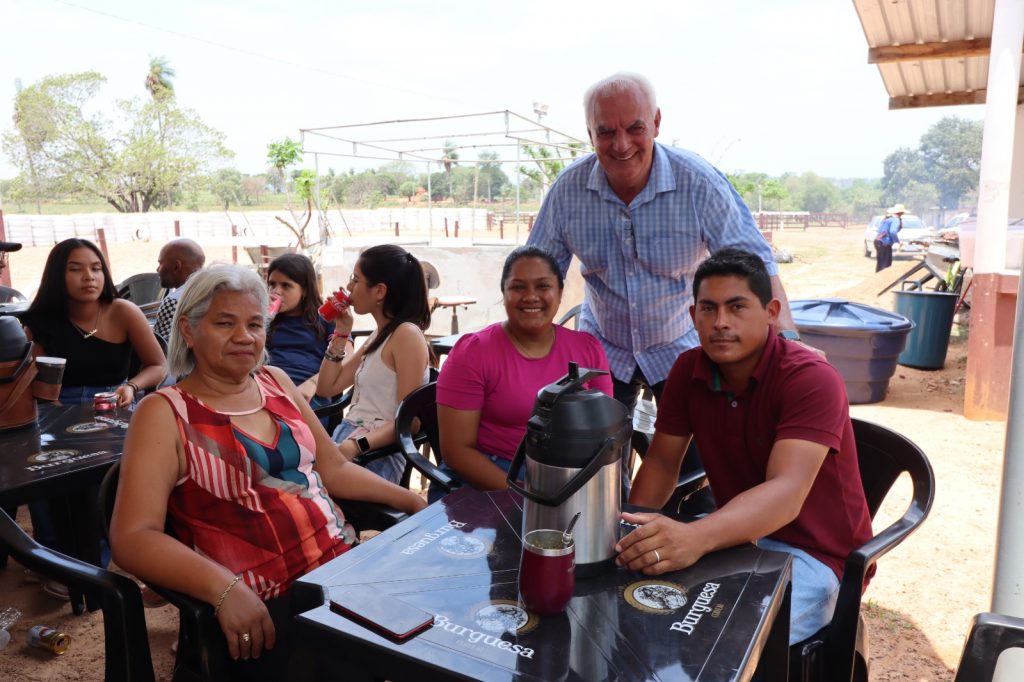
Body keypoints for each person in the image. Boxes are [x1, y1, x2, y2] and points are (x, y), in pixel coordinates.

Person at [109, 265, 425, 680]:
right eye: (225, 323)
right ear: (188, 330)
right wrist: (224, 591)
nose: (245, 337)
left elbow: (333, 468)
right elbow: (133, 537)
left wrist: (415, 502)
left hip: (338, 571)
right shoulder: (165, 412)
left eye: (255, 324)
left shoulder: (275, 382)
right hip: (266, 600)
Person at [615, 248, 873, 644]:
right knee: (633, 607)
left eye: (737, 307)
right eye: (708, 309)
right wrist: (631, 527)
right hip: (737, 539)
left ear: (771, 312)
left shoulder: (810, 378)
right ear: (692, 316)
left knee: (714, 640)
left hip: (817, 557)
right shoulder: (688, 369)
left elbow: (786, 491)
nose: (720, 323)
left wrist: (694, 538)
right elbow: (663, 461)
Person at [526, 72, 803, 413]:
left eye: (635, 128)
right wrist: (523, 354)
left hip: (681, 349)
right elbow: (534, 275)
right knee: (594, 456)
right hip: (602, 351)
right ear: (590, 134)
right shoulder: (568, 190)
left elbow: (755, 267)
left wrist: (789, 343)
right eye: (606, 132)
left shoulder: (699, 183)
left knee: (697, 458)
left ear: (656, 123)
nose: (621, 144)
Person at [434, 246, 613, 503]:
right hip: (491, 478)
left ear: (560, 292)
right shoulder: (473, 353)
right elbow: (457, 451)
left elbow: (606, 432)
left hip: (570, 474)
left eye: (542, 286)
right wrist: (527, 497)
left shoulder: (587, 348)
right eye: (518, 287)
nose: (531, 297)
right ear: (504, 293)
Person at [315, 245, 431, 485]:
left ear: (379, 291)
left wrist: (358, 444)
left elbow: (410, 419)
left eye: (355, 280)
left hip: (377, 451)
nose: (348, 287)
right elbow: (327, 387)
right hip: (347, 440)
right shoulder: (379, 334)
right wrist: (342, 331)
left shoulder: (406, 335)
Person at [22, 238, 166, 407]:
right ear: (56, 276)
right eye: (75, 269)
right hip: (59, 409)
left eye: (96, 269)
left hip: (114, 403)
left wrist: (131, 386)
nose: (89, 277)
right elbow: (40, 392)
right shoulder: (39, 322)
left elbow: (158, 365)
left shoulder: (123, 312)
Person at [265, 253, 334, 402]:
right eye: (272, 284)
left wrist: (313, 383)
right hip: (266, 390)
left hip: (308, 394)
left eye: (286, 285)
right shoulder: (263, 320)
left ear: (305, 290)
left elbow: (346, 357)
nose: (276, 291)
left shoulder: (324, 317)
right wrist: (262, 321)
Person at [153, 238, 206, 339]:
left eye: (160, 263)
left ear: (177, 266)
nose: (157, 269)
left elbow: (162, 347)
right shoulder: (215, 290)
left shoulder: (174, 301)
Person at [874, 204, 904, 272]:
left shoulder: (887, 219)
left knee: (880, 264)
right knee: (886, 265)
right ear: (901, 213)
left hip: (878, 242)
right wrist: (897, 241)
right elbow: (893, 231)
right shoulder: (896, 219)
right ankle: (883, 281)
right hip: (884, 244)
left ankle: (878, 280)